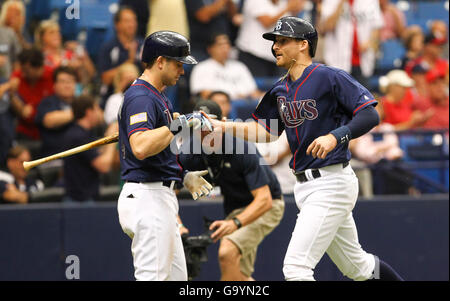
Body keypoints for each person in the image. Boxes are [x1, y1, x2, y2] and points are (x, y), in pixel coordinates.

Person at [204, 16, 404, 281]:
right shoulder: (280, 88)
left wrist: (336, 136)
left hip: (331, 181)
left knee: (296, 268)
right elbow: (265, 132)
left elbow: (369, 114)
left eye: (283, 40)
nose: (275, 46)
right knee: (358, 267)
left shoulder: (328, 76)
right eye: (275, 41)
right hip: (306, 186)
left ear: (303, 44)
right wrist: (224, 127)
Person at [116, 31, 213, 281]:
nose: (182, 71)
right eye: (178, 64)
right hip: (147, 197)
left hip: (160, 195)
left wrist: (182, 176)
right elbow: (140, 147)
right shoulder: (140, 97)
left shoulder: (158, 97)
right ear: (160, 61)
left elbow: (160, 153)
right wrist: (180, 124)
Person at [179, 100, 285, 281]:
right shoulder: (188, 153)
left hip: (267, 205)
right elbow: (168, 192)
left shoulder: (242, 147)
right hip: (235, 207)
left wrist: (234, 223)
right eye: (198, 125)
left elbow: (264, 199)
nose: (204, 132)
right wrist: (179, 227)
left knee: (227, 252)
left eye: (210, 125)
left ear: (223, 123)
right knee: (240, 276)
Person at [62, 95, 117, 203]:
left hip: (86, 198)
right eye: (96, 109)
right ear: (89, 112)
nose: (99, 113)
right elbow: (104, 166)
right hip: (80, 202)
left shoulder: (84, 133)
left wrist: (107, 140)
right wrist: (112, 137)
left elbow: (96, 155)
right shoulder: (78, 136)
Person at [320, 0, 384, 88]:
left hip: (363, 61)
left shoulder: (371, 1)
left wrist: (370, 42)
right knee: (338, 99)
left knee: (362, 100)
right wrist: (340, 4)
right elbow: (326, 27)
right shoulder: (330, 1)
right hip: (337, 62)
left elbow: (377, 26)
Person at [235, 0, 304, 77]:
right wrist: (288, 8)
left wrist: (296, 7)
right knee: (253, 88)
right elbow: (266, 22)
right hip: (252, 55)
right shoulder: (254, 1)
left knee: (274, 87)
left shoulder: (283, 3)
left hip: (273, 57)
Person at [190, 33, 262, 101]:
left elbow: (254, 92)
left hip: (243, 106)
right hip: (218, 108)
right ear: (210, 49)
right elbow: (204, 94)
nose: (225, 48)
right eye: (220, 45)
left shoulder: (240, 66)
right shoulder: (201, 68)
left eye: (227, 44)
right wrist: (234, 97)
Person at [97, 6, 143, 107]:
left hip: (140, 97)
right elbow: (105, 79)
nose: (132, 24)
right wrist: (130, 61)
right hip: (113, 98)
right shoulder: (108, 47)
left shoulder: (143, 45)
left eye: (134, 20)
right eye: (127, 21)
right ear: (117, 25)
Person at [34, 20, 95, 88]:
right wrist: (66, 66)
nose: (57, 35)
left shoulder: (68, 54)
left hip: (72, 93)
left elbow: (91, 74)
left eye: (58, 32)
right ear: (42, 37)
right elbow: (39, 76)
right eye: (51, 33)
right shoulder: (39, 57)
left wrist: (83, 56)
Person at [11, 47, 54, 140]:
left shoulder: (52, 76)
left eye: (26, 70)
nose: (23, 74)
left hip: (47, 130)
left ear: (39, 67)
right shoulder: (17, 77)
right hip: (22, 130)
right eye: (22, 69)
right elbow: (11, 96)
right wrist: (20, 106)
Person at [35, 66, 77, 157]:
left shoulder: (80, 101)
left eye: (70, 81)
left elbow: (99, 117)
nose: (67, 85)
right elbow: (49, 121)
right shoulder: (47, 102)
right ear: (54, 85)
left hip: (81, 156)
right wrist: (79, 111)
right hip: (55, 156)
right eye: (63, 82)